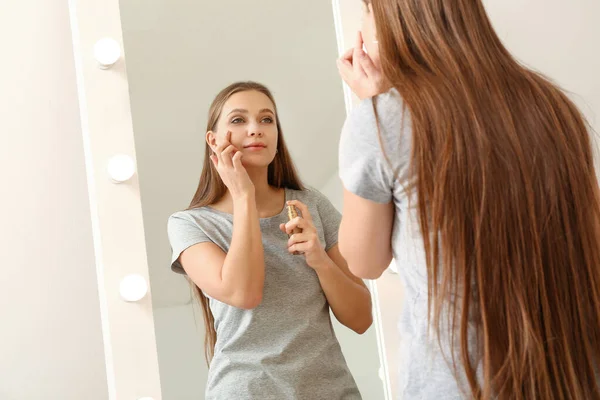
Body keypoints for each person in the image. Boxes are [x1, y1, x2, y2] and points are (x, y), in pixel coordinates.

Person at [336, 1, 600, 399]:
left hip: (458, 385)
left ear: (392, 20)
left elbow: (363, 261)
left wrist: (375, 110)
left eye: (367, 12)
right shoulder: (554, 107)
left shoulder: (381, 119)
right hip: (572, 377)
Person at [167, 81, 371, 399]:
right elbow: (243, 292)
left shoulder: (312, 205)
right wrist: (244, 195)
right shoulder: (191, 224)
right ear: (214, 140)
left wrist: (320, 260)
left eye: (266, 119)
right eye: (238, 120)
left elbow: (361, 318)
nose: (256, 129)